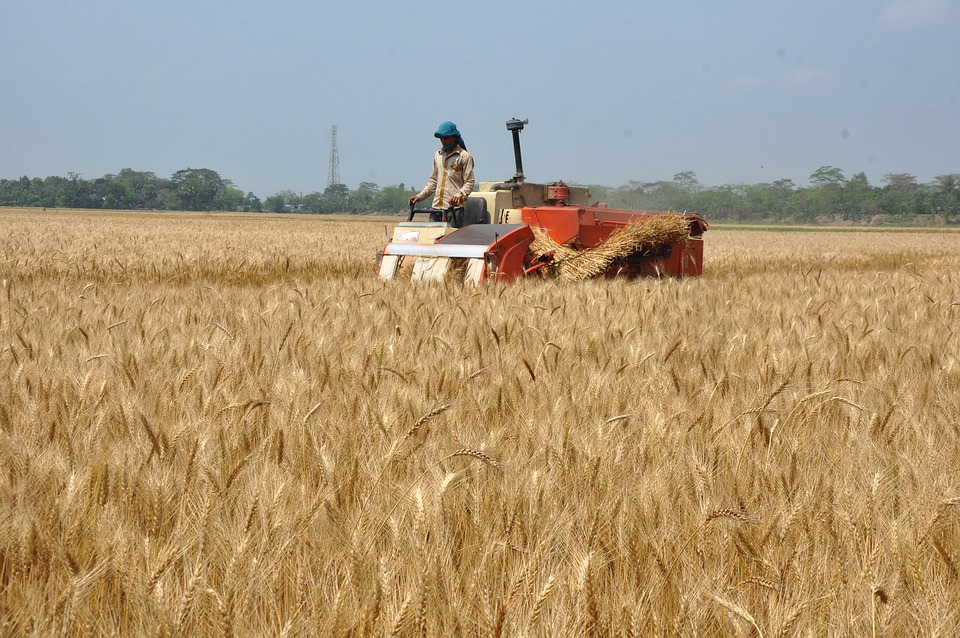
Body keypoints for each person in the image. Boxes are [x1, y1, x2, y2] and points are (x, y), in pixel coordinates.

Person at [408, 121, 475, 213]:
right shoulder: (438, 155)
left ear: (454, 137)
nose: (443, 141)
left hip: (454, 209)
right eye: (441, 138)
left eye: (446, 138)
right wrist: (419, 196)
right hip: (436, 208)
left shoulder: (464, 157)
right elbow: (433, 182)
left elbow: (469, 182)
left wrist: (459, 195)